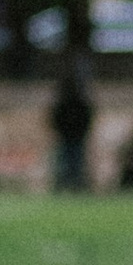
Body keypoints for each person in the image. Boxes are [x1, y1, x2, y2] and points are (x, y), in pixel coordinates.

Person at [47, 59, 95, 195]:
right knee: (69, 163)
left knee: (71, 163)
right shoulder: (73, 101)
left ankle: (71, 186)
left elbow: (87, 116)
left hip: (73, 136)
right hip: (69, 136)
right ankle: (69, 186)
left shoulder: (73, 101)